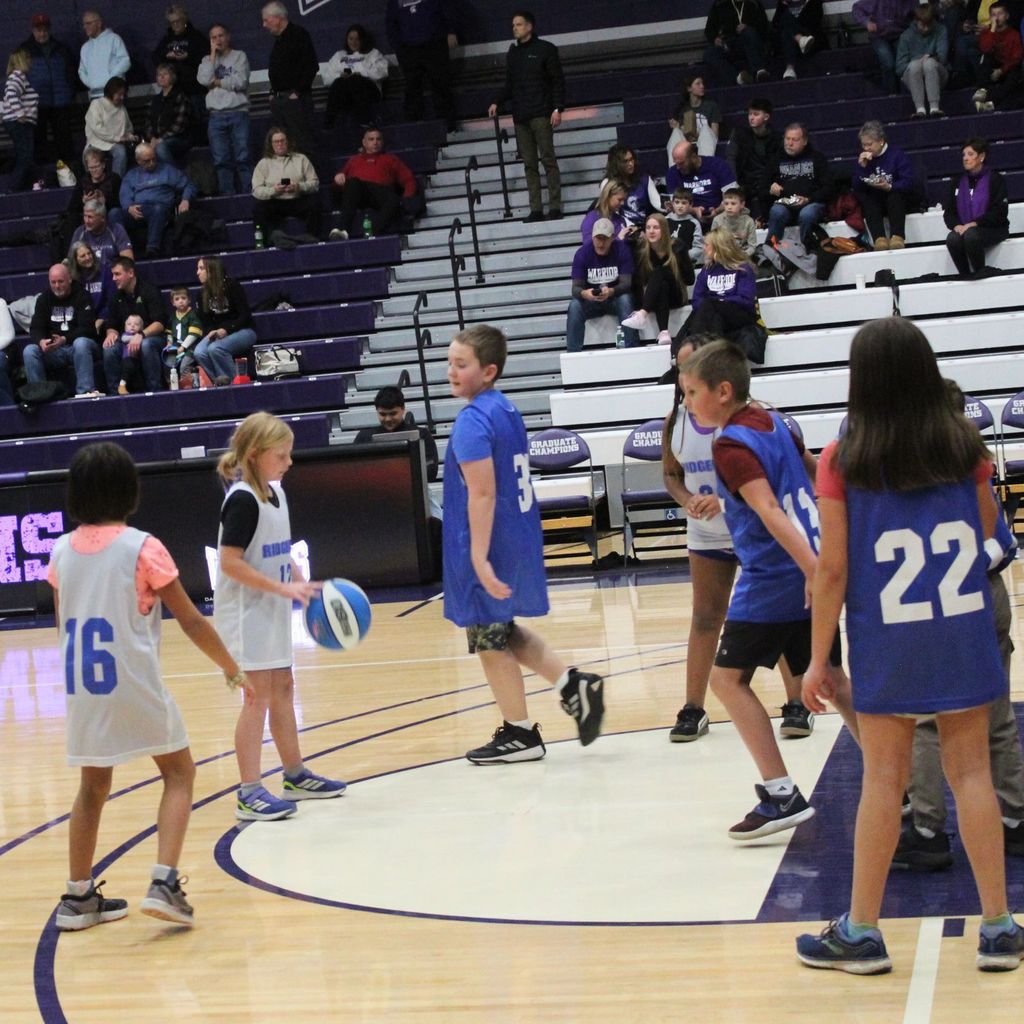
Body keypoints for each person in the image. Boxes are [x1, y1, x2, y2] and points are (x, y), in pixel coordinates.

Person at [796, 317, 1024, 974]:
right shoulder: (962, 443)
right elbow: (985, 525)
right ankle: (1000, 927)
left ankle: (862, 931)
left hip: (889, 637)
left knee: (884, 779)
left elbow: (832, 569)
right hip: (961, 626)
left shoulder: (845, 457)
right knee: (973, 775)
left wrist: (818, 660)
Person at [50, 442, 246, 931]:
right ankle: (164, 882)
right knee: (180, 773)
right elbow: (192, 621)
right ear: (129, 490)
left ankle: (77, 897)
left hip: (81, 687)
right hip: (130, 679)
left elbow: (62, 623)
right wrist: (230, 666)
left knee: (92, 788)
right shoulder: (142, 546)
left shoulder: (58, 551)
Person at [678, 339, 857, 838]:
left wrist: (811, 569)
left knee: (727, 680)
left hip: (774, 578)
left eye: (692, 392)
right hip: (801, 567)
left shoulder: (731, 444)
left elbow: (771, 511)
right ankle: (897, 781)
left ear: (723, 391)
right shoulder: (771, 416)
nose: (688, 403)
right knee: (835, 680)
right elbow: (804, 476)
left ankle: (781, 794)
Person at [443, 324, 606, 763]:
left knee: (488, 638)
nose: (451, 372)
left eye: (462, 365)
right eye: (450, 363)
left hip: (490, 540)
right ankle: (573, 684)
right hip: (517, 534)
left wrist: (477, 557)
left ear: (489, 371)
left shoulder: (473, 421)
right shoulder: (506, 410)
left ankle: (519, 734)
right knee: (502, 630)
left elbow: (482, 493)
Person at [894, 378, 1024, 871]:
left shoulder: (906, 472)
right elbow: (1003, 543)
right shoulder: (972, 463)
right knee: (996, 718)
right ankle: (1015, 819)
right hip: (985, 597)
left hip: (935, 606)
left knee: (928, 724)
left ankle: (928, 831)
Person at [663, 336, 816, 742]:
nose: (685, 383)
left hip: (765, 545)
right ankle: (692, 708)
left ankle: (794, 710)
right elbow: (672, 475)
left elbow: (774, 496)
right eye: (682, 373)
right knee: (705, 618)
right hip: (712, 533)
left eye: (693, 375)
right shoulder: (678, 421)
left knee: (746, 660)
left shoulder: (749, 428)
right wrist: (689, 500)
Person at [215, 413, 348, 820]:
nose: (290, 462)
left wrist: (301, 582)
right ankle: (248, 792)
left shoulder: (276, 494)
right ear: (255, 455)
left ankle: (294, 774)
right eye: (282, 455)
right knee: (256, 699)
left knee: (285, 689)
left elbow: (276, 547)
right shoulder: (241, 499)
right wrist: (281, 589)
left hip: (270, 609)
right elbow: (229, 563)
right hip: (244, 615)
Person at [488, 11, 565, 223]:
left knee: (548, 159)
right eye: (513, 25)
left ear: (529, 26)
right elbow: (510, 84)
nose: (515, 28)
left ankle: (555, 205)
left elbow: (557, 81)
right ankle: (536, 208)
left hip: (541, 112)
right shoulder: (513, 53)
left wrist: (558, 108)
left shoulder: (546, 49)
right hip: (521, 116)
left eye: (519, 24)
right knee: (529, 163)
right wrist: (497, 101)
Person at [328, 127, 422, 240]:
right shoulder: (353, 161)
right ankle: (342, 231)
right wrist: (338, 179)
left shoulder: (391, 159)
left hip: (381, 193)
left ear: (382, 142)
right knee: (353, 183)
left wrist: (407, 199)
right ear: (364, 142)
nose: (375, 142)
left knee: (394, 200)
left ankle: (375, 236)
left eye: (378, 139)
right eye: (371, 139)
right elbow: (339, 182)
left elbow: (409, 180)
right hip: (358, 193)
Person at [25, 263, 102, 399]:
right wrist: (42, 341)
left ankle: (85, 392)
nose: (57, 286)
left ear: (69, 279)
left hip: (78, 347)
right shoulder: (44, 299)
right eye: (53, 282)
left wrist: (64, 339)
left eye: (60, 281)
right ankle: (40, 394)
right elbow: (36, 328)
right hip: (55, 351)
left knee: (81, 343)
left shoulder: (83, 296)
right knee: (30, 351)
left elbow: (88, 328)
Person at [565, 217, 638, 352]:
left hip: (615, 298)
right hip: (592, 301)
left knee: (626, 299)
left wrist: (611, 291)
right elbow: (575, 288)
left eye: (604, 239)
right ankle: (573, 353)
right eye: (598, 238)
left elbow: (627, 284)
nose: (601, 243)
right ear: (592, 238)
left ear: (612, 238)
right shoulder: (582, 253)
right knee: (574, 305)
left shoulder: (622, 250)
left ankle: (632, 348)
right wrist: (585, 293)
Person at [386, 0, 459, 132]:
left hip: (435, 43)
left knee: (441, 85)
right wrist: (398, 47)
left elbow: (447, 9)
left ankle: (448, 129)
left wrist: (451, 31)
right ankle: (414, 130)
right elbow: (391, 22)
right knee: (412, 89)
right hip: (408, 48)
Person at [197, 23, 252, 196]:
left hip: (238, 112)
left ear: (227, 37)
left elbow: (241, 81)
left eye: (220, 36)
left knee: (243, 156)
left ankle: (249, 192)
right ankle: (227, 196)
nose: (218, 40)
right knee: (221, 160)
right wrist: (212, 56)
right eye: (213, 37)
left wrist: (219, 82)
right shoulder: (207, 60)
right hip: (216, 116)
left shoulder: (239, 56)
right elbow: (204, 80)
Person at [943, 137, 1009, 277]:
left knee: (972, 235)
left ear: (982, 156)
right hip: (966, 229)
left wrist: (975, 223)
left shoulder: (995, 179)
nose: (966, 158)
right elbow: (949, 213)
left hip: (992, 228)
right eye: (964, 155)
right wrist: (956, 226)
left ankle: (980, 273)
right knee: (952, 238)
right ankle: (965, 275)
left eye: (970, 154)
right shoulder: (957, 182)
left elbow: (1000, 212)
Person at [261, 2, 319, 162]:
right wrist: (273, 92)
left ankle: (312, 185)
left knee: (303, 144)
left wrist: (297, 92)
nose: (264, 25)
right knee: (285, 148)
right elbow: (278, 71)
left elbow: (311, 66)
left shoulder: (298, 35)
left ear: (278, 18)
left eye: (266, 20)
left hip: (296, 101)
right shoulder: (278, 41)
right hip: (280, 101)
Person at [102, 257, 167, 394]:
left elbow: (160, 323)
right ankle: (115, 394)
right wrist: (111, 334)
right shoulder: (115, 297)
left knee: (146, 345)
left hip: (153, 338)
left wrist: (141, 335)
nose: (113, 278)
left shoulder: (149, 290)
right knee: (109, 348)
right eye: (113, 274)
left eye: (117, 274)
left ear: (130, 273)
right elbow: (111, 324)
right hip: (126, 339)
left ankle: (155, 391)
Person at [120, 143, 197, 258]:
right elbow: (124, 194)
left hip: (161, 208)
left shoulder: (167, 170)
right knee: (114, 214)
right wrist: (128, 207)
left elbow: (189, 185)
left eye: (154, 159)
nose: (152, 163)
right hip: (137, 210)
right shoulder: (131, 175)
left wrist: (185, 200)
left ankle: (152, 248)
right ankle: (123, 251)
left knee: (158, 209)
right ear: (138, 161)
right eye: (147, 161)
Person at [620, 213, 687, 346]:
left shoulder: (677, 247)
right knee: (661, 285)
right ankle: (663, 333)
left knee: (660, 272)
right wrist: (621, 240)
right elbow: (638, 281)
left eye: (656, 227)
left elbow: (689, 278)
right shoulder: (642, 251)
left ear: (664, 229)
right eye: (648, 227)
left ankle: (642, 315)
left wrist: (670, 272)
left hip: (676, 295)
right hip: (655, 297)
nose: (651, 231)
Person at [682, 229, 759, 344]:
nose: (704, 248)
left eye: (707, 245)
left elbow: (746, 300)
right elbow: (696, 300)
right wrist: (715, 304)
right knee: (712, 316)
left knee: (709, 307)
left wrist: (719, 301)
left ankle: (689, 350)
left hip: (740, 314)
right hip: (713, 315)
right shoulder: (707, 270)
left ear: (718, 247)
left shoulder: (743, 268)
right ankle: (714, 351)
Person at [20, 13, 76, 166]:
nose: (42, 33)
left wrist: (70, 93)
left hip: (61, 103)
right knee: (38, 142)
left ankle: (70, 174)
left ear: (49, 30)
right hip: (36, 104)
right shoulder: (24, 50)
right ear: (33, 30)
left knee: (65, 140)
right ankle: (41, 179)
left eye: (45, 29)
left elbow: (71, 73)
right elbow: (18, 76)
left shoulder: (62, 49)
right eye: (39, 30)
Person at [852, 120, 917, 250]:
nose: (866, 149)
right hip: (876, 200)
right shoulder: (864, 159)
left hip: (897, 197)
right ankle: (879, 239)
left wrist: (890, 186)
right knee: (868, 200)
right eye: (863, 145)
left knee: (895, 196)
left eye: (869, 144)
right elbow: (856, 187)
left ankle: (897, 236)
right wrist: (862, 168)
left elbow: (909, 181)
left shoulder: (896, 155)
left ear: (881, 141)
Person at [764, 123, 833, 245]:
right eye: (787, 139)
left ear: (804, 141)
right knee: (776, 212)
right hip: (785, 204)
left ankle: (807, 250)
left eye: (794, 140)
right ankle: (771, 250)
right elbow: (761, 189)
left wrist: (808, 199)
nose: (789, 143)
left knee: (807, 214)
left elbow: (828, 188)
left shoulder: (817, 158)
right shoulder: (775, 160)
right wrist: (770, 190)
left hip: (811, 203)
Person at [252, 127, 322, 248]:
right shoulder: (263, 163)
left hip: (297, 199)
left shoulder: (301, 159)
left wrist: (299, 187)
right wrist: (273, 191)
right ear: (271, 144)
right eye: (276, 141)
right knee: (259, 209)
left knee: (315, 204)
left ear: (287, 141)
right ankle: (269, 240)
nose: (280, 144)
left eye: (282, 140)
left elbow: (315, 183)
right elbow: (256, 190)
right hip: (275, 201)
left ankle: (311, 237)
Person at [192, 255, 256, 386]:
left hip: (243, 330)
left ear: (212, 270)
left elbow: (245, 316)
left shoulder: (232, 286)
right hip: (219, 333)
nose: (197, 272)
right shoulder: (201, 294)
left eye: (201, 268)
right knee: (199, 352)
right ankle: (219, 382)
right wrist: (213, 332)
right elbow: (206, 322)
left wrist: (226, 330)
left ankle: (235, 384)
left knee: (215, 349)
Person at [353, 385, 440, 482]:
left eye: (393, 413)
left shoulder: (422, 435)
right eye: (383, 414)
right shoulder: (364, 437)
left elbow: (431, 471)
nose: (388, 419)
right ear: (376, 411)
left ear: (403, 409)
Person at [323, 23, 388, 135]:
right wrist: (339, 75)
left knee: (356, 80)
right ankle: (329, 122)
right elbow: (326, 78)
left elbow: (382, 72)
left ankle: (365, 119)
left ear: (363, 40)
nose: (354, 42)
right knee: (339, 82)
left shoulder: (373, 54)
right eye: (351, 39)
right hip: (345, 94)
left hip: (368, 91)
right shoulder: (339, 55)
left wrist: (361, 72)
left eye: (357, 39)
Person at [726, 98, 783, 225]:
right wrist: (734, 183)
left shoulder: (777, 138)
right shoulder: (739, 134)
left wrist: (775, 182)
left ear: (766, 117)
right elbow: (731, 157)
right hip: (745, 182)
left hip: (767, 182)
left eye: (756, 114)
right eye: (750, 114)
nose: (751, 117)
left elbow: (780, 164)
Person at [151, 5, 207, 120]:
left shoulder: (196, 36)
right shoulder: (167, 39)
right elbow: (155, 57)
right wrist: (167, 56)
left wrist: (187, 56)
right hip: (175, 91)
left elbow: (206, 57)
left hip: (194, 90)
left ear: (184, 19)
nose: (175, 25)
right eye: (172, 22)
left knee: (198, 123)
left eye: (178, 21)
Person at [665, 139, 738, 226]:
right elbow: (675, 204)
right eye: (676, 163)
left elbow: (733, 195)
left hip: (722, 215)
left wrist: (717, 210)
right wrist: (694, 210)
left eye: (681, 163)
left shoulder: (718, 165)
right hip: (688, 218)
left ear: (693, 157)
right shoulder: (672, 173)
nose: (677, 167)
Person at [852, 0, 918, 93]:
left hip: (900, 34)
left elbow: (915, 16)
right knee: (888, 64)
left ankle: (904, 92)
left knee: (901, 63)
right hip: (879, 36)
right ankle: (891, 94)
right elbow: (857, 8)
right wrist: (866, 22)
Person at [896, 4, 950, 117]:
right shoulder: (906, 36)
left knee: (929, 63)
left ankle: (934, 108)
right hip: (914, 76)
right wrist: (918, 63)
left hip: (937, 74)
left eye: (928, 25)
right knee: (915, 65)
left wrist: (931, 57)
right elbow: (900, 68)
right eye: (922, 25)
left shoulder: (941, 30)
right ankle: (920, 109)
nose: (925, 29)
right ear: (916, 21)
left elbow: (943, 58)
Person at [703, 0, 771, 85]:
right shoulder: (720, 4)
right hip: (729, 44)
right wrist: (715, 39)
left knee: (748, 32)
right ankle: (738, 78)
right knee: (709, 54)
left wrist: (748, 26)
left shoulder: (754, 3)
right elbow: (709, 30)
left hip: (750, 43)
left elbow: (764, 28)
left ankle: (759, 72)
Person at [972, 2, 1023, 109]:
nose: (997, 17)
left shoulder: (1014, 34)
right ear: (990, 17)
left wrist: (1001, 71)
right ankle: (981, 90)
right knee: (985, 58)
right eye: (994, 14)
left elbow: (1016, 58)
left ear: (1007, 16)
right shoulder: (987, 33)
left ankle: (992, 102)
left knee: (1016, 74)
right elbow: (986, 49)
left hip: (1008, 68)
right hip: (992, 66)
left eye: (1000, 14)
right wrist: (993, 29)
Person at [84, 77, 135, 179]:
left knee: (121, 152)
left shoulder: (122, 108)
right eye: (119, 94)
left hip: (116, 144)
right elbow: (97, 128)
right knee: (89, 156)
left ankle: (116, 183)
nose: (122, 97)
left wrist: (129, 135)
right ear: (111, 92)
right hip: (97, 142)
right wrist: (117, 138)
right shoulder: (97, 104)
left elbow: (128, 126)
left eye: (123, 94)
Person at [3, 49, 39, 193]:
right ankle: (13, 187)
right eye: (28, 58)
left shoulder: (18, 77)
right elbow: (11, 93)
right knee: (25, 155)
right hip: (19, 123)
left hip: (20, 123)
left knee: (25, 154)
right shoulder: (18, 76)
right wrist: (20, 113)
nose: (31, 61)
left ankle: (34, 182)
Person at [601, 145, 660, 230]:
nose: (631, 164)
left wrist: (669, 206)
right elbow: (611, 212)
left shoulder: (645, 179)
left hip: (644, 228)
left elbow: (658, 203)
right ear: (616, 164)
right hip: (620, 228)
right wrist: (631, 227)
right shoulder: (608, 183)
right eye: (625, 161)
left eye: (631, 159)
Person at [147, 64, 193, 167]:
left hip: (179, 139)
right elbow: (149, 122)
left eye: (165, 74)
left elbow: (180, 125)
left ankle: (176, 178)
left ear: (172, 76)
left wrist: (161, 139)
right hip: (158, 139)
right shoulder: (155, 100)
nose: (161, 77)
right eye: (159, 75)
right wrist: (152, 138)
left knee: (160, 148)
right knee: (142, 150)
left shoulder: (180, 96)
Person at [78, 11, 130, 101]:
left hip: (114, 94)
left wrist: (110, 80)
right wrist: (92, 83)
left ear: (99, 23)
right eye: (84, 24)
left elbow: (125, 61)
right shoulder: (85, 48)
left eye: (88, 23)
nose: (85, 27)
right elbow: (81, 71)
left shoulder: (114, 39)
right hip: (94, 96)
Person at [667, 74, 721, 161]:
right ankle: (675, 169)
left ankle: (705, 167)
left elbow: (714, 134)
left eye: (702, 83)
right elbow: (689, 137)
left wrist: (698, 133)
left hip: (706, 141)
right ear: (689, 89)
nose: (702, 86)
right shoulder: (684, 109)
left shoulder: (711, 106)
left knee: (705, 130)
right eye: (698, 84)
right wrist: (678, 127)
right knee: (676, 132)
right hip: (689, 143)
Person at [68, 148, 125, 229]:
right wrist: (83, 202)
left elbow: (121, 204)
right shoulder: (83, 181)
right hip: (89, 216)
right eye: (91, 168)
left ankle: (118, 240)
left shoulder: (114, 179)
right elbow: (71, 208)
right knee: (72, 218)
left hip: (108, 214)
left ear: (103, 165)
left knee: (114, 212)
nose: (94, 170)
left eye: (97, 166)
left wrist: (105, 202)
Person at [68, 241, 117, 332]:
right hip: (82, 324)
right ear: (75, 260)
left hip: (105, 323)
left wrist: (102, 318)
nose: (88, 257)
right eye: (83, 256)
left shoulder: (105, 272)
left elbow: (112, 299)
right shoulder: (72, 279)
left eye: (89, 253)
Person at [70, 200, 134, 267]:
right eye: (85, 216)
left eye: (90, 217)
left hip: (112, 274)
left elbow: (128, 262)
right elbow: (71, 261)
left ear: (102, 218)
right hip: (88, 274)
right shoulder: (80, 232)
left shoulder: (116, 230)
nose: (86, 221)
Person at [772, 0, 825, 79]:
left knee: (786, 23)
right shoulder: (782, 4)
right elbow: (775, 24)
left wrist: (795, 26)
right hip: (788, 43)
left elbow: (814, 23)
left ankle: (790, 68)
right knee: (785, 21)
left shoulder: (814, 2)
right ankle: (800, 39)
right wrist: (783, 5)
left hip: (809, 40)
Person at [163, 285, 202, 384]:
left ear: (189, 300)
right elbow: (169, 332)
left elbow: (194, 334)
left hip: (190, 348)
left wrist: (183, 347)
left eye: (183, 298)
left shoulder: (193, 315)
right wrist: (169, 342)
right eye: (177, 299)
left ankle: (187, 386)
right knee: (168, 364)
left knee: (184, 366)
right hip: (176, 346)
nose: (180, 301)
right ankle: (172, 385)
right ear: (173, 303)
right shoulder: (173, 317)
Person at [666, 189, 705, 274]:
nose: (680, 206)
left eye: (684, 203)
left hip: (687, 264)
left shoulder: (694, 223)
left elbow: (699, 248)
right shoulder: (666, 220)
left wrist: (683, 256)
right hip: (667, 262)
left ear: (691, 204)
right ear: (672, 203)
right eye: (677, 202)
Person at [710, 186, 757, 257]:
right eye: (726, 204)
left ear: (742, 204)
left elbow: (752, 246)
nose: (729, 207)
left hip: (742, 257)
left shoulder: (749, 221)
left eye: (733, 203)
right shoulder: (717, 220)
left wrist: (740, 256)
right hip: (723, 257)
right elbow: (713, 243)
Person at [580, 179, 631, 243]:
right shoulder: (591, 218)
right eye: (619, 199)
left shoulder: (620, 219)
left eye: (624, 200)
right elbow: (588, 246)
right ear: (608, 196)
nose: (622, 203)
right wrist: (618, 239)